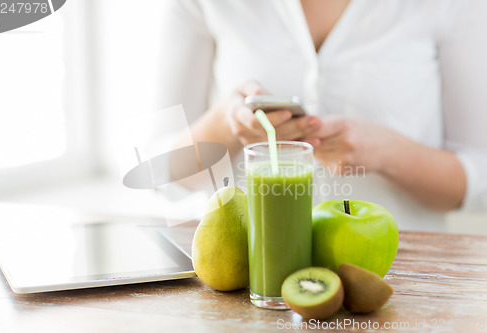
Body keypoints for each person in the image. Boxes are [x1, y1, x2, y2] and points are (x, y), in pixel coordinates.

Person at [152, 0, 487, 232]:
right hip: (248, 278)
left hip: (403, 282)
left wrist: (388, 153)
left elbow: (478, 180)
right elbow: (160, 173)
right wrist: (227, 124)